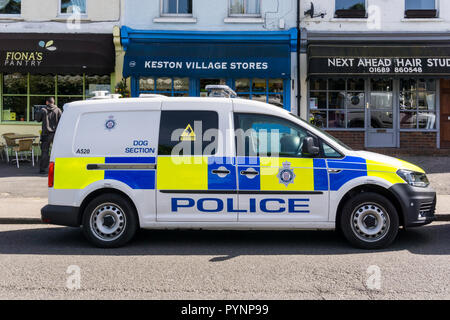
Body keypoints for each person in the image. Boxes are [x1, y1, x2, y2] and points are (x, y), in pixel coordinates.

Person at [35, 97, 62, 174]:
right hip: (56, 134)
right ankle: (59, 168)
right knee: (58, 152)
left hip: (46, 134)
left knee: (45, 152)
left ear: (47, 102)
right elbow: (62, 122)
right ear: (53, 102)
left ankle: (43, 169)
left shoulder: (43, 110)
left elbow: (37, 119)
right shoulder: (58, 110)